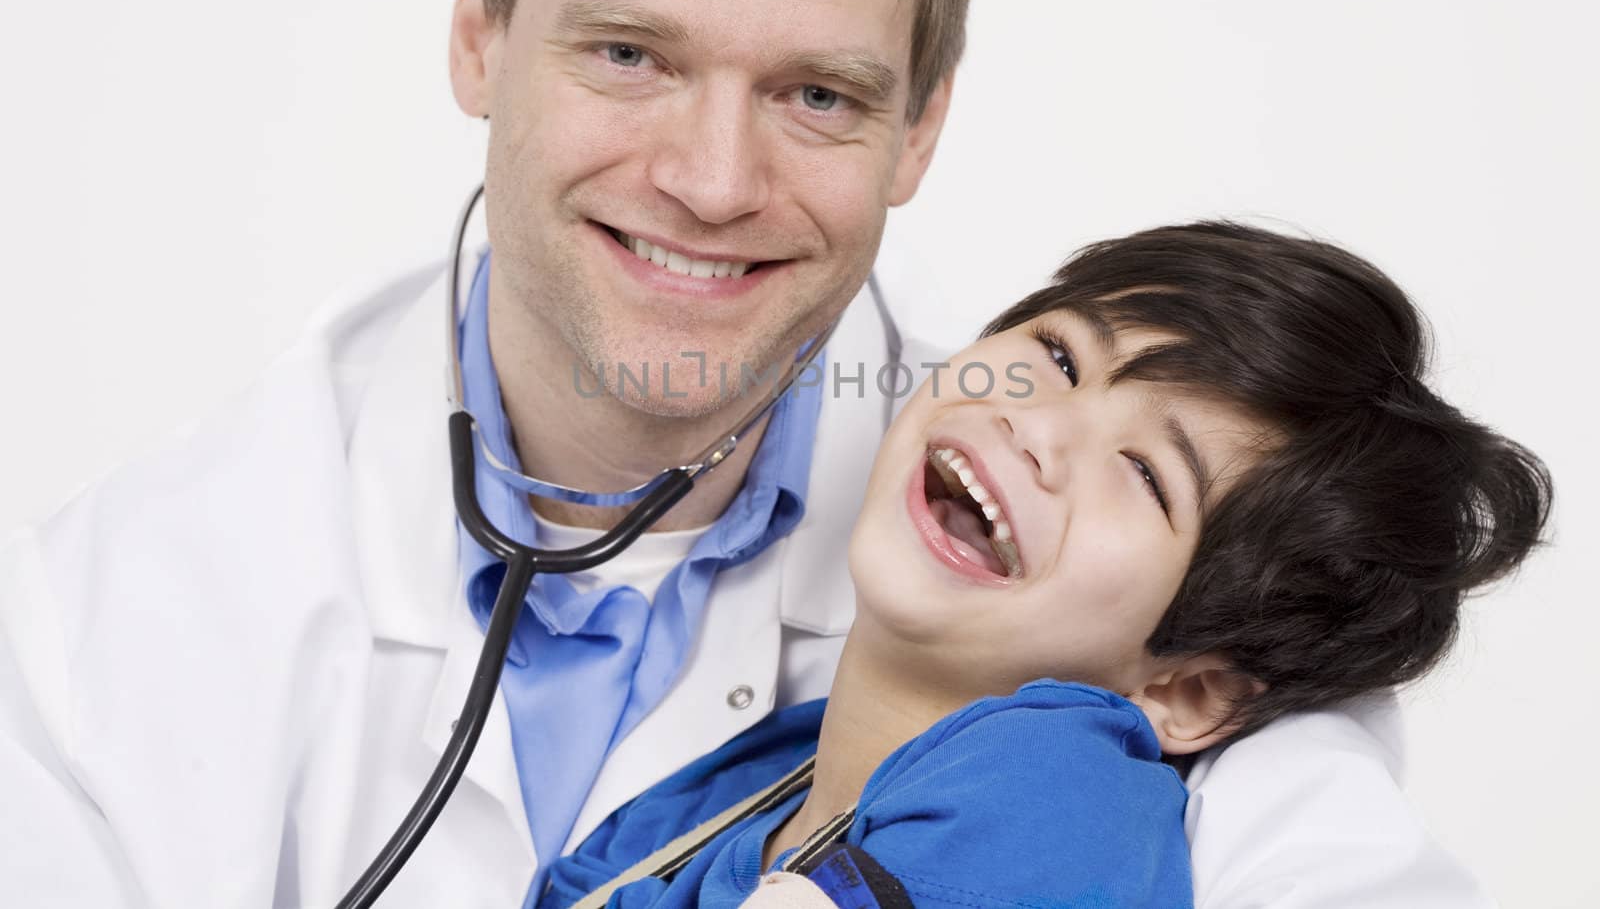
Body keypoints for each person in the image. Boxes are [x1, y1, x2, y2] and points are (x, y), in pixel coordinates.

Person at [0, 0, 1512, 906]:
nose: (714, 181)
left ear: (919, 126)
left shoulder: (1137, 602)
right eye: (630, 56)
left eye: (815, 92)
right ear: (481, 34)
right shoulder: (98, 639)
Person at [536, 222, 1552, 909]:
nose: (1038, 427)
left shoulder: (1058, 798)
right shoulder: (759, 778)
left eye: (1147, 474)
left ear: (1187, 688)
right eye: (1062, 354)